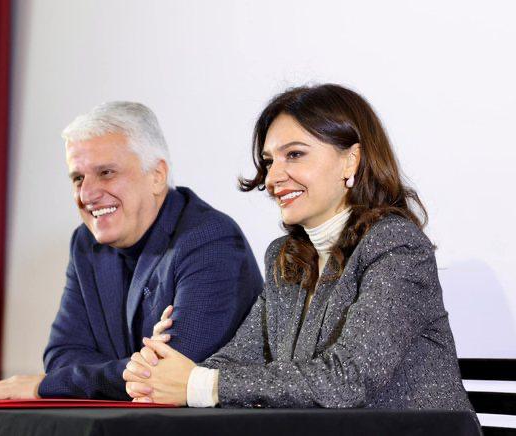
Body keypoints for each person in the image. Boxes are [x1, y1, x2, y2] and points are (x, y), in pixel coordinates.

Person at [123, 84, 474, 411]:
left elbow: (348, 379)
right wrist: (164, 373)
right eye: (269, 161)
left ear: (351, 160)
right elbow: (237, 360)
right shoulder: (285, 258)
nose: (273, 178)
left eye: (294, 154)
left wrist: (198, 384)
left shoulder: (396, 246)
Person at [0, 101, 263, 400]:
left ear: (157, 175)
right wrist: (134, 365)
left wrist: (46, 386)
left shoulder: (210, 239)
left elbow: (170, 376)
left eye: (106, 173)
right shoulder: (86, 244)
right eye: (78, 178)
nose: (87, 194)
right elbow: (61, 355)